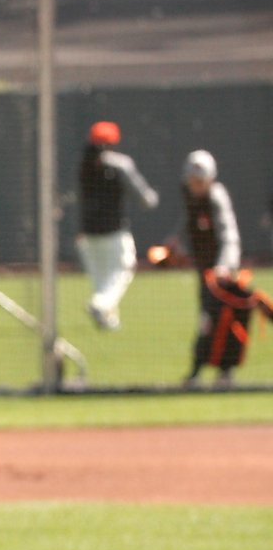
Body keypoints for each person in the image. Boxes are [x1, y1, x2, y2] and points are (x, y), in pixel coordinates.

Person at [75, 121, 157, 331]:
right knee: (124, 268)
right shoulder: (119, 164)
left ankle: (107, 320)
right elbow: (145, 197)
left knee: (101, 279)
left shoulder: (84, 163)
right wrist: (150, 198)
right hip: (113, 232)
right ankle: (100, 306)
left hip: (88, 233)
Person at [171, 151, 242, 387]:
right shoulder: (191, 197)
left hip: (221, 274)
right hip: (205, 272)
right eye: (193, 180)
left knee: (223, 321)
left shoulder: (215, 198)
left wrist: (224, 266)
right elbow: (187, 225)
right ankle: (198, 372)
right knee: (206, 320)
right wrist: (175, 246)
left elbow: (229, 234)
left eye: (200, 181)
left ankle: (222, 372)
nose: (196, 185)